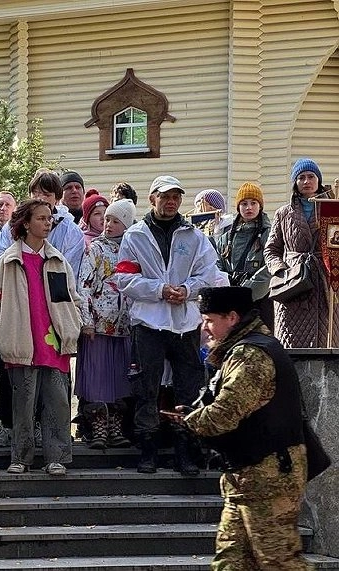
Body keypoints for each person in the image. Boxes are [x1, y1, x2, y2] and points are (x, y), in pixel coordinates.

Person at [172, 286, 309, 570]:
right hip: (247, 477)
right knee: (231, 561)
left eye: (209, 320)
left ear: (232, 318)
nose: (204, 328)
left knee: (279, 562)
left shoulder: (251, 354)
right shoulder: (246, 349)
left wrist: (191, 421)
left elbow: (226, 413)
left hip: (267, 478)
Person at [114, 175, 220, 475]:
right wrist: (159, 290)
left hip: (185, 322)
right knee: (146, 386)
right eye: (165, 196)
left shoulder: (194, 236)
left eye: (176, 197)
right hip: (148, 321)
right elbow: (124, 278)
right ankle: (148, 450)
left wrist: (187, 290)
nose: (171, 202)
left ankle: (184, 451)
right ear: (152, 199)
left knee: (189, 388)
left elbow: (208, 273)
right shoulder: (135, 235)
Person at [0, 199, 82, 476]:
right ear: (26, 223)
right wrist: (1, 334)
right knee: (22, 404)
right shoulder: (8, 261)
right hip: (21, 342)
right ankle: (21, 457)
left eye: (49, 218)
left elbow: (72, 299)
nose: (47, 223)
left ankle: (56, 457)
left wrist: (72, 326)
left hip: (54, 344)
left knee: (57, 403)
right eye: (41, 218)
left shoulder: (58, 260)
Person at [76, 199, 137, 449]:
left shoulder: (133, 250)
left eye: (115, 221)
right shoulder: (96, 249)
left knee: (120, 378)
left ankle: (116, 426)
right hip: (99, 327)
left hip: (125, 327)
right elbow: (84, 285)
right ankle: (98, 426)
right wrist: (87, 321)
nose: (108, 224)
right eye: (107, 219)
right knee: (97, 378)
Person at [265, 158, 336, 348]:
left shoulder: (333, 209)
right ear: (295, 183)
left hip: (325, 280)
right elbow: (271, 249)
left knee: (327, 338)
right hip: (293, 283)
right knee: (292, 341)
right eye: (301, 177)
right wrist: (281, 271)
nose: (306, 181)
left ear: (318, 180)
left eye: (311, 176)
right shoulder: (283, 213)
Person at [0, 169, 86, 278]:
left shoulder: (71, 231)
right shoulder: (13, 225)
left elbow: (71, 270)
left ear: (57, 198)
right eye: (36, 193)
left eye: (46, 194)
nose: (40, 199)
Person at [216, 182, 274, 331]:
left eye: (253, 203)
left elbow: (270, 267)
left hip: (260, 302)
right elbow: (217, 265)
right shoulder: (226, 238)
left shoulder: (270, 235)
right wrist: (227, 289)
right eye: (244, 203)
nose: (249, 207)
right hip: (231, 303)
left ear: (260, 206)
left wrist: (246, 293)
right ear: (238, 207)